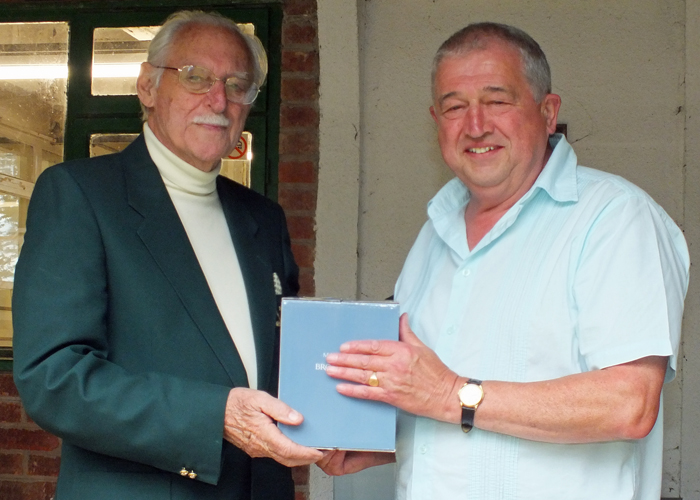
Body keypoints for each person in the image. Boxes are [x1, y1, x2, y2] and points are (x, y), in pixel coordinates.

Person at [319, 22, 690, 499]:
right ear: (436, 121)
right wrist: (382, 441)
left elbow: (628, 404)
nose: (476, 125)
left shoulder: (614, 217)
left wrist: (449, 394)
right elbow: (449, 401)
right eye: (455, 107)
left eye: (497, 101)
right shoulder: (434, 234)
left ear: (548, 111)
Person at [12, 10, 322, 500]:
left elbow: (287, 365)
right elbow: (54, 378)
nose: (217, 99)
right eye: (196, 77)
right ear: (148, 87)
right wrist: (214, 416)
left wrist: (345, 411)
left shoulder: (262, 218)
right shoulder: (81, 195)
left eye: (236, 84)